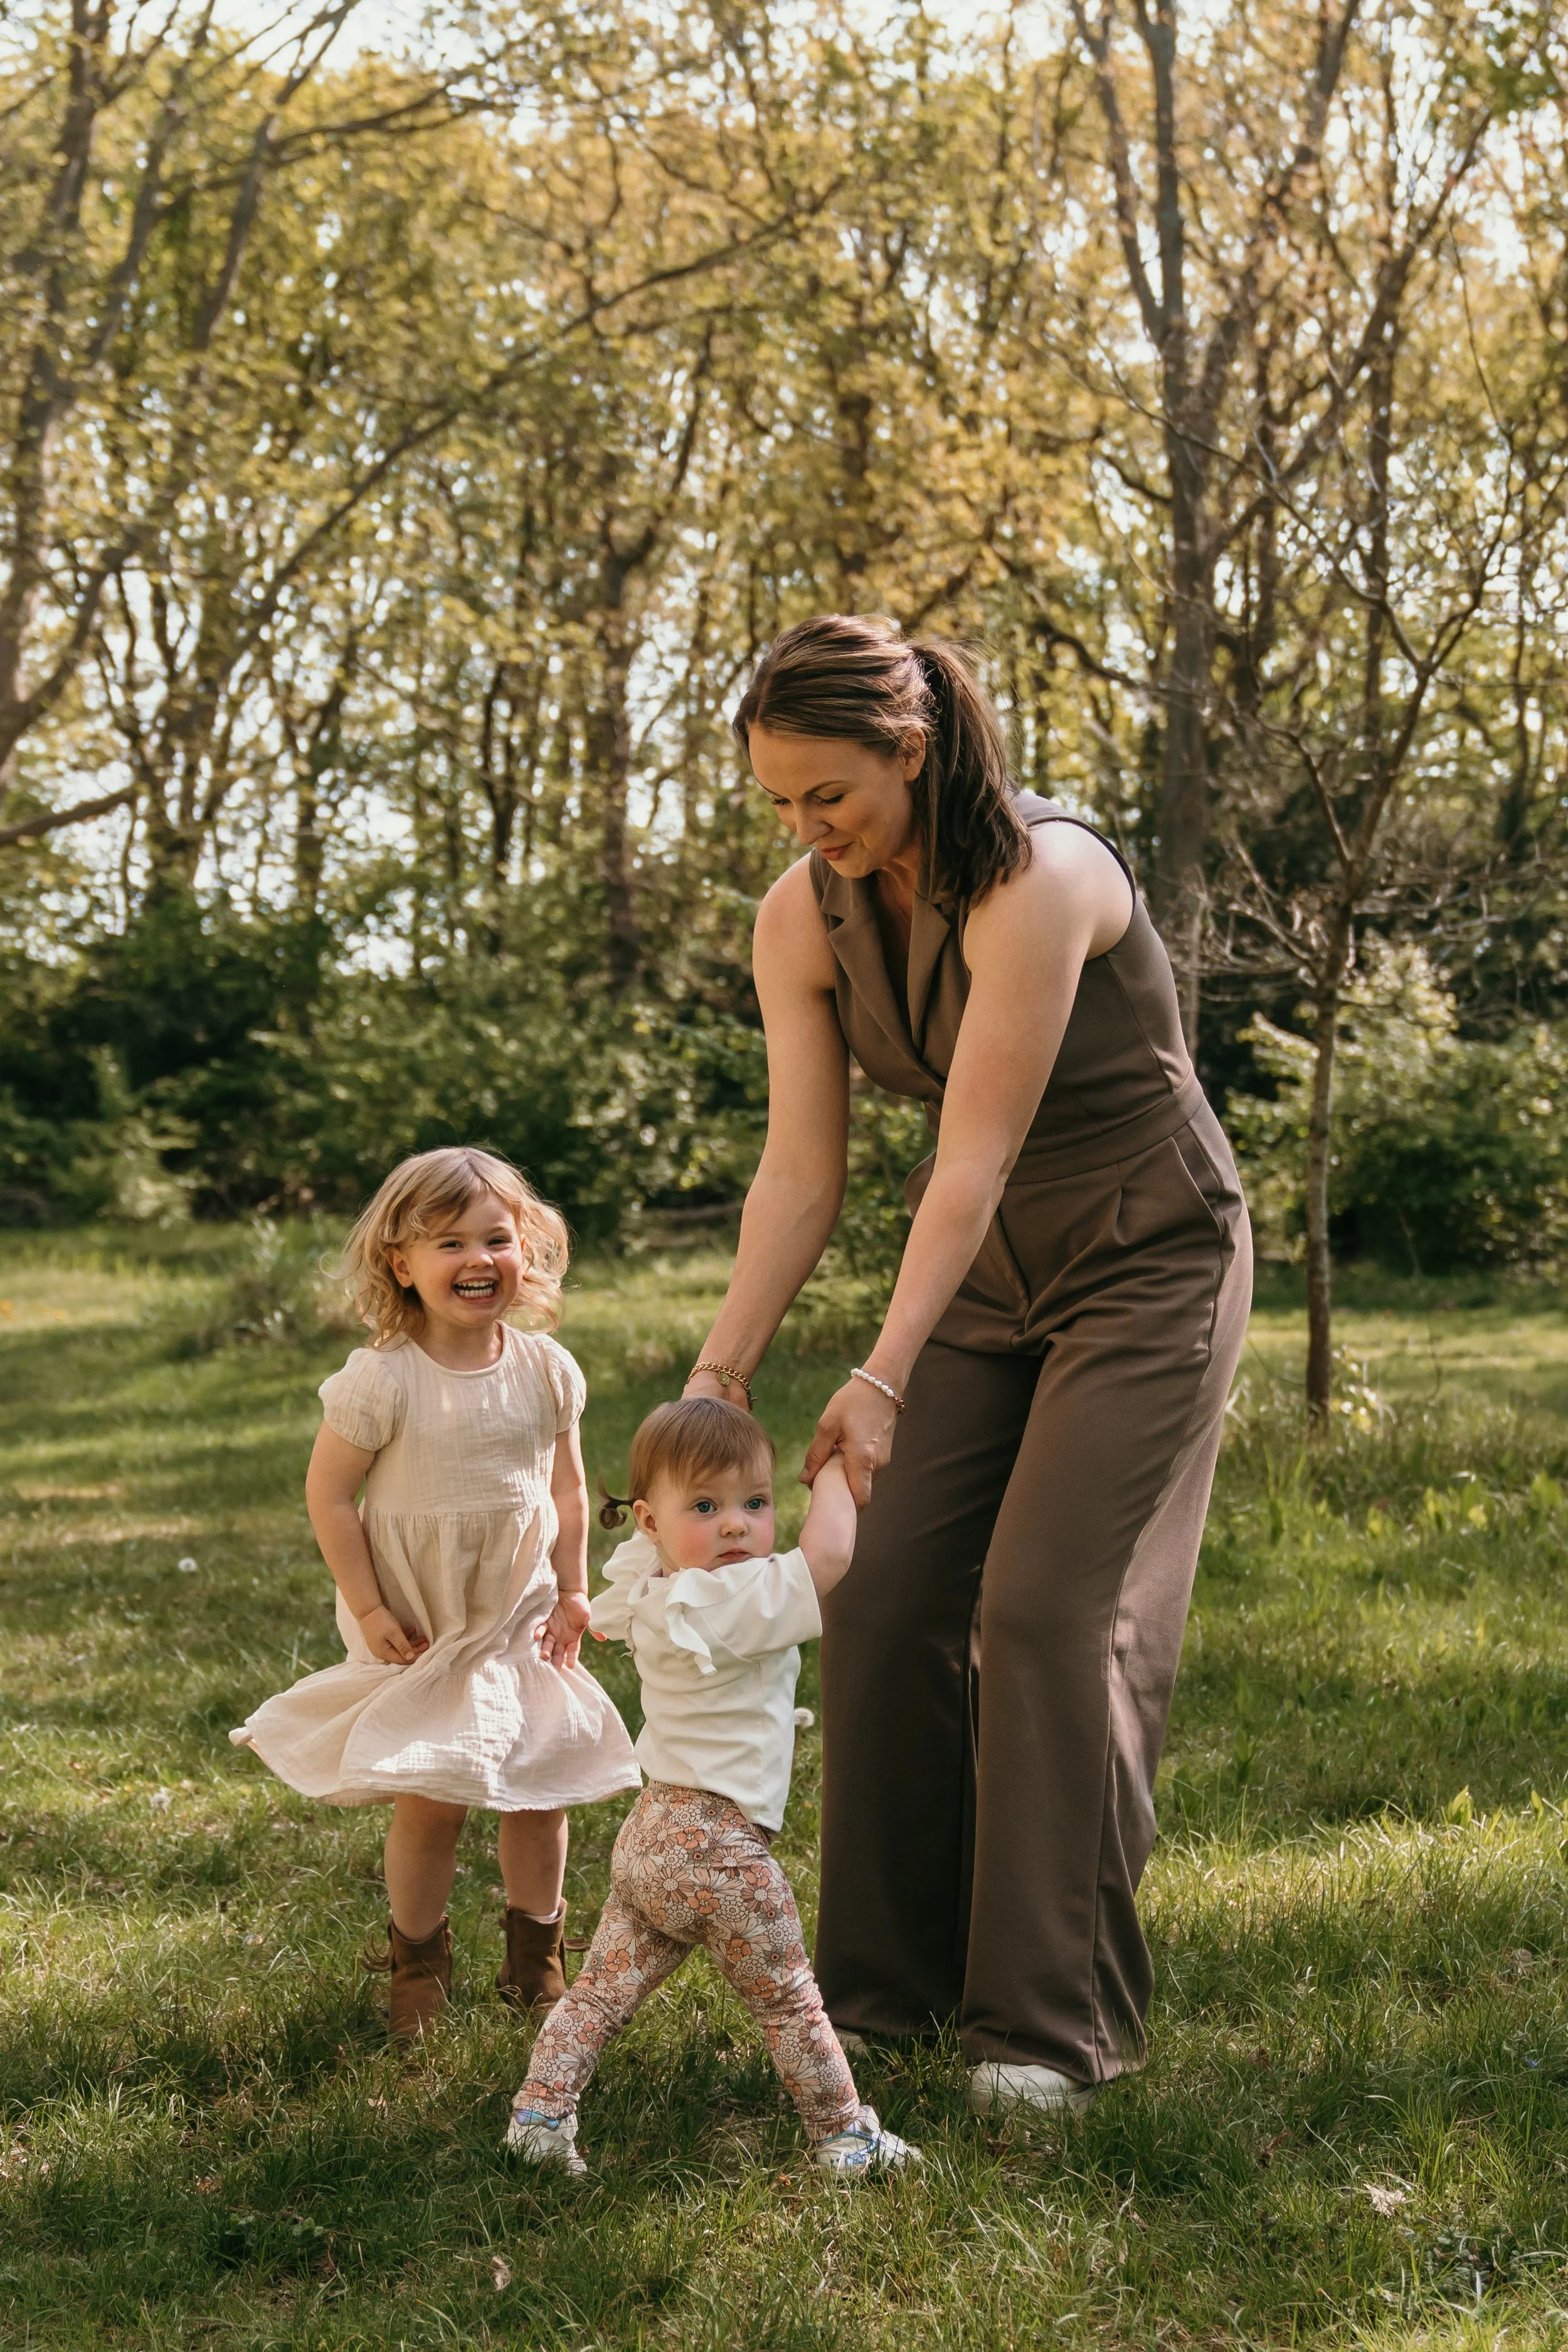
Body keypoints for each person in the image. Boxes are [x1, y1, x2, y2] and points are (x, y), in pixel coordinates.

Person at [682, 614, 1253, 2116]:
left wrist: (875, 1371)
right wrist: (718, 1374)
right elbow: (802, 1173)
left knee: (1049, 1607)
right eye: (782, 804)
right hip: (983, 1281)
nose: (810, 831)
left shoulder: (1045, 876)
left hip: (1148, 1260)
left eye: (831, 795)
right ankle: (879, 1993)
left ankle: (1046, 2026)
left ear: (912, 747)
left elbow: (974, 1151)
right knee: (878, 1591)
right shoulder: (802, 917)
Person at [230, 1146, 639, 2038]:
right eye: (447, 1241)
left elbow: (568, 1490)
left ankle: (537, 1959)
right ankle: (417, 1960)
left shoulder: (545, 1369)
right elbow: (330, 1495)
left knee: (541, 1785)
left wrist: (574, 1589)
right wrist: (372, 1609)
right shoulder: (382, 1378)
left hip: (521, 1614)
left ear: (527, 1250)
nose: (477, 1259)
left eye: (497, 1237)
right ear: (400, 1263)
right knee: (434, 1796)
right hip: (423, 1619)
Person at [506, 1397, 921, 2178]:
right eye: (706, 1506)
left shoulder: (654, 1586)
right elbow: (827, 1557)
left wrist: (683, 1488)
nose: (735, 1525)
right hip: (721, 1852)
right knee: (789, 2001)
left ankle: (538, 2117)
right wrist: (835, 1464)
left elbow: (663, 1550)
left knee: (597, 1996)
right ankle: (844, 2137)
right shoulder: (735, 1599)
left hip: (651, 1836)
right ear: (652, 1520)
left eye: (754, 1504)